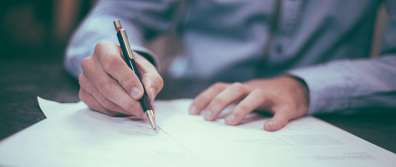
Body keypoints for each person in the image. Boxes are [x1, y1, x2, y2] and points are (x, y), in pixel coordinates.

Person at [65, 0, 396, 131]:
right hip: (192, 107)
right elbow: (111, 17)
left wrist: (305, 86)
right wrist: (125, 61)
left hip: (332, 117)